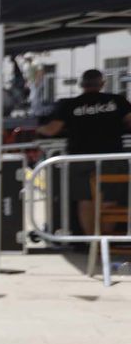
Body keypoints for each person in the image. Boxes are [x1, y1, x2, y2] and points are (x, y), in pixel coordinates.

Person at [38, 68, 131, 237]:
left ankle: (91, 243)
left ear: (82, 85)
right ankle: (106, 242)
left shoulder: (69, 104)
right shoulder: (117, 100)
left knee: (85, 200)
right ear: (102, 84)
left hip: (81, 158)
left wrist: (38, 128)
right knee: (110, 199)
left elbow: (52, 130)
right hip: (112, 157)